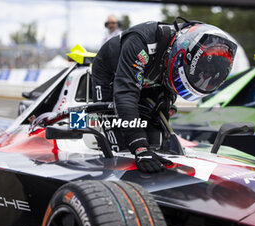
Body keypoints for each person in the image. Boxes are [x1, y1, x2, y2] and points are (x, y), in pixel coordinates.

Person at [92, 18, 237, 173]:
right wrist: (139, 148)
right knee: (119, 144)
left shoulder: (182, 54)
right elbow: (125, 95)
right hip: (111, 75)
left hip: (153, 74)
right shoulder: (141, 42)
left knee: (156, 139)